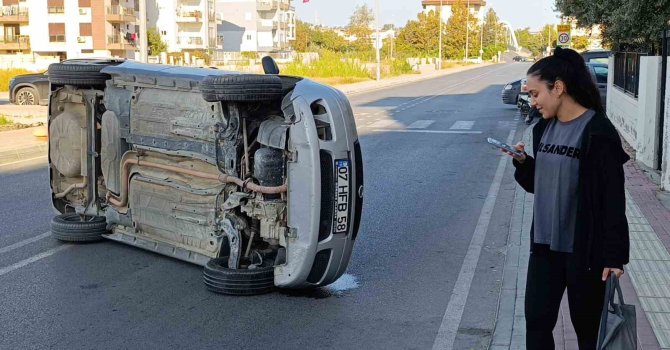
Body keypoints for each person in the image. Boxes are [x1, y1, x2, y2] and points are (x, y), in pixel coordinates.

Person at [501, 47, 630, 349]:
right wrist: (522, 162)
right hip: (544, 247)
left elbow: (612, 200)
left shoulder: (598, 132)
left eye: (535, 94)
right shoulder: (544, 128)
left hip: (583, 253)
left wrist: (614, 257)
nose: (532, 102)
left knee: (587, 333)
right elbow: (540, 184)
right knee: (536, 326)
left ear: (558, 88)